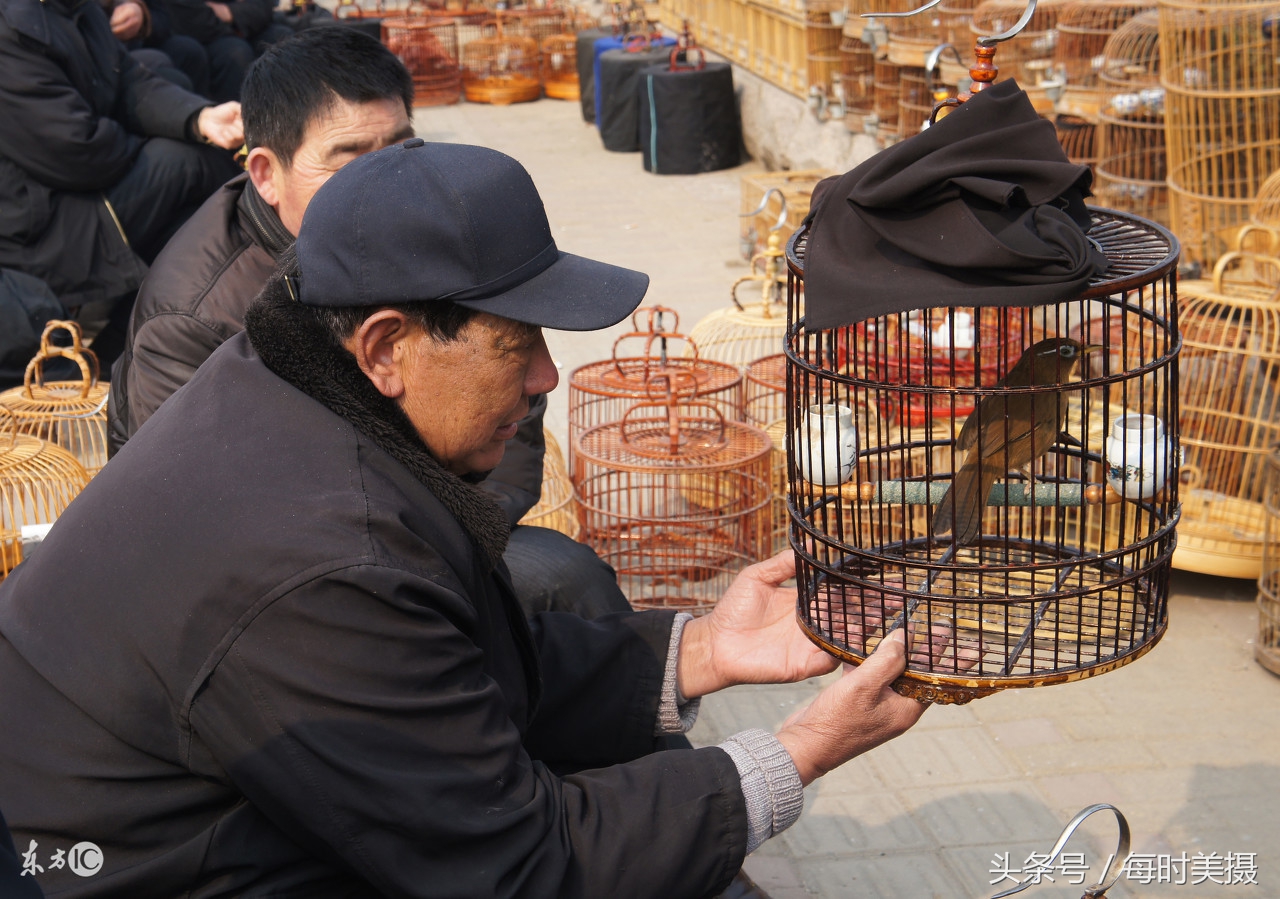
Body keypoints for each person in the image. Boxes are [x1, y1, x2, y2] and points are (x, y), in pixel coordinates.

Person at [0, 139, 933, 898]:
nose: (546, 379)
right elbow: (519, 866)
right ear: (387, 346)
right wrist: (802, 749)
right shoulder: (320, 561)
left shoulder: (293, 377)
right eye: (515, 344)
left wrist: (700, 650)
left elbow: (443, 674)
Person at [108, 26, 631, 620]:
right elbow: (200, 525)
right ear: (265, 174)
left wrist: (444, 530)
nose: (387, 181)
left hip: (423, 522)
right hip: (272, 579)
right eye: (349, 158)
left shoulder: (429, 230)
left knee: (563, 582)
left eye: (400, 148)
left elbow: (514, 405)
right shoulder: (193, 318)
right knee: (557, 583)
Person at [0, 0, 242, 369]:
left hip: (77, 191)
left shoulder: (78, 10)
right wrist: (154, 138)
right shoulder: (12, 29)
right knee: (194, 166)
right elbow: (75, 151)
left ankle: (124, 355)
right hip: (36, 225)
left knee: (195, 223)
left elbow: (130, 80)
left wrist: (200, 117)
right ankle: (122, 359)